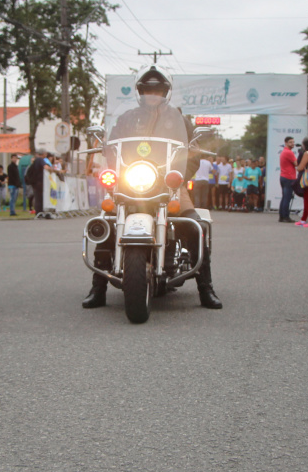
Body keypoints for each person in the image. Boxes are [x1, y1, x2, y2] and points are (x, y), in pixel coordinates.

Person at [82, 64, 221, 310]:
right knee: (109, 221)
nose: (152, 94)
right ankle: (98, 287)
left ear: (165, 91)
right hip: (130, 182)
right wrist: (108, 153)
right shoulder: (127, 118)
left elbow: (193, 153)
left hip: (169, 185)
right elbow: (113, 147)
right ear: (140, 91)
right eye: (147, 90)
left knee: (194, 225)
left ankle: (206, 288)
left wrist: (177, 177)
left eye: (157, 90)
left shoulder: (178, 119)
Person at [278, 136, 297, 222]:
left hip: (284, 176)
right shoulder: (289, 152)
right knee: (287, 198)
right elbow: (296, 163)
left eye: (293, 142)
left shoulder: (284, 152)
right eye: (290, 142)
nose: (292, 144)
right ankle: (285, 216)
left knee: (285, 197)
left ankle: (282, 216)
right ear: (285, 143)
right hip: (289, 177)